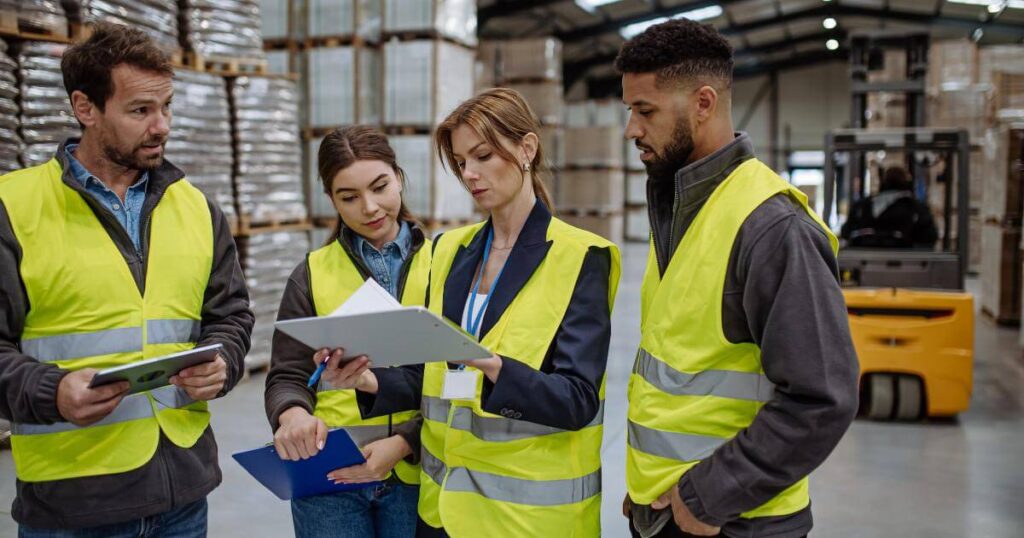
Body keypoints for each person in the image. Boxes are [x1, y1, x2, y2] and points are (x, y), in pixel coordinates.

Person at [320, 88, 622, 537]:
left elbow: (576, 399)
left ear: (526, 149)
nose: (471, 174)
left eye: (482, 156)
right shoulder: (449, 250)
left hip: (525, 519)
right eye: (462, 162)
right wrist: (365, 379)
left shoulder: (582, 256)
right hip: (442, 511)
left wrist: (493, 366)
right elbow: (432, 375)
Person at [0, 23, 253, 536]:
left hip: (183, 496)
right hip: (74, 505)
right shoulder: (13, 207)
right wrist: (52, 392)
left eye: (167, 107)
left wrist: (222, 361)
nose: (161, 126)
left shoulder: (198, 210)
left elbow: (230, 317)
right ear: (85, 108)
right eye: (140, 111)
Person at [616, 19, 859, 538]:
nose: (631, 130)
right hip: (668, 511)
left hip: (737, 521)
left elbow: (822, 398)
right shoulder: (680, 209)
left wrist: (707, 496)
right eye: (629, 111)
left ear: (703, 103)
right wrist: (648, 490)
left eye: (646, 111)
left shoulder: (773, 227)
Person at [264, 126, 429, 538]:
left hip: (417, 471)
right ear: (331, 200)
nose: (369, 208)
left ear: (400, 178)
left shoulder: (445, 264)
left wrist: (407, 441)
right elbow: (287, 374)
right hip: (330, 475)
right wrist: (294, 413)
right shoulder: (312, 275)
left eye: (380, 187)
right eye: (348, 197)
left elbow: (461, 378)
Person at [840, 166, 938, 248]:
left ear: (883, 181)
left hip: (863, 255)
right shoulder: (916, 208)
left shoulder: (863, 205)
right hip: (906, 259)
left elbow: (846, 232)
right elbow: (929, 237)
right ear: (906, 182)